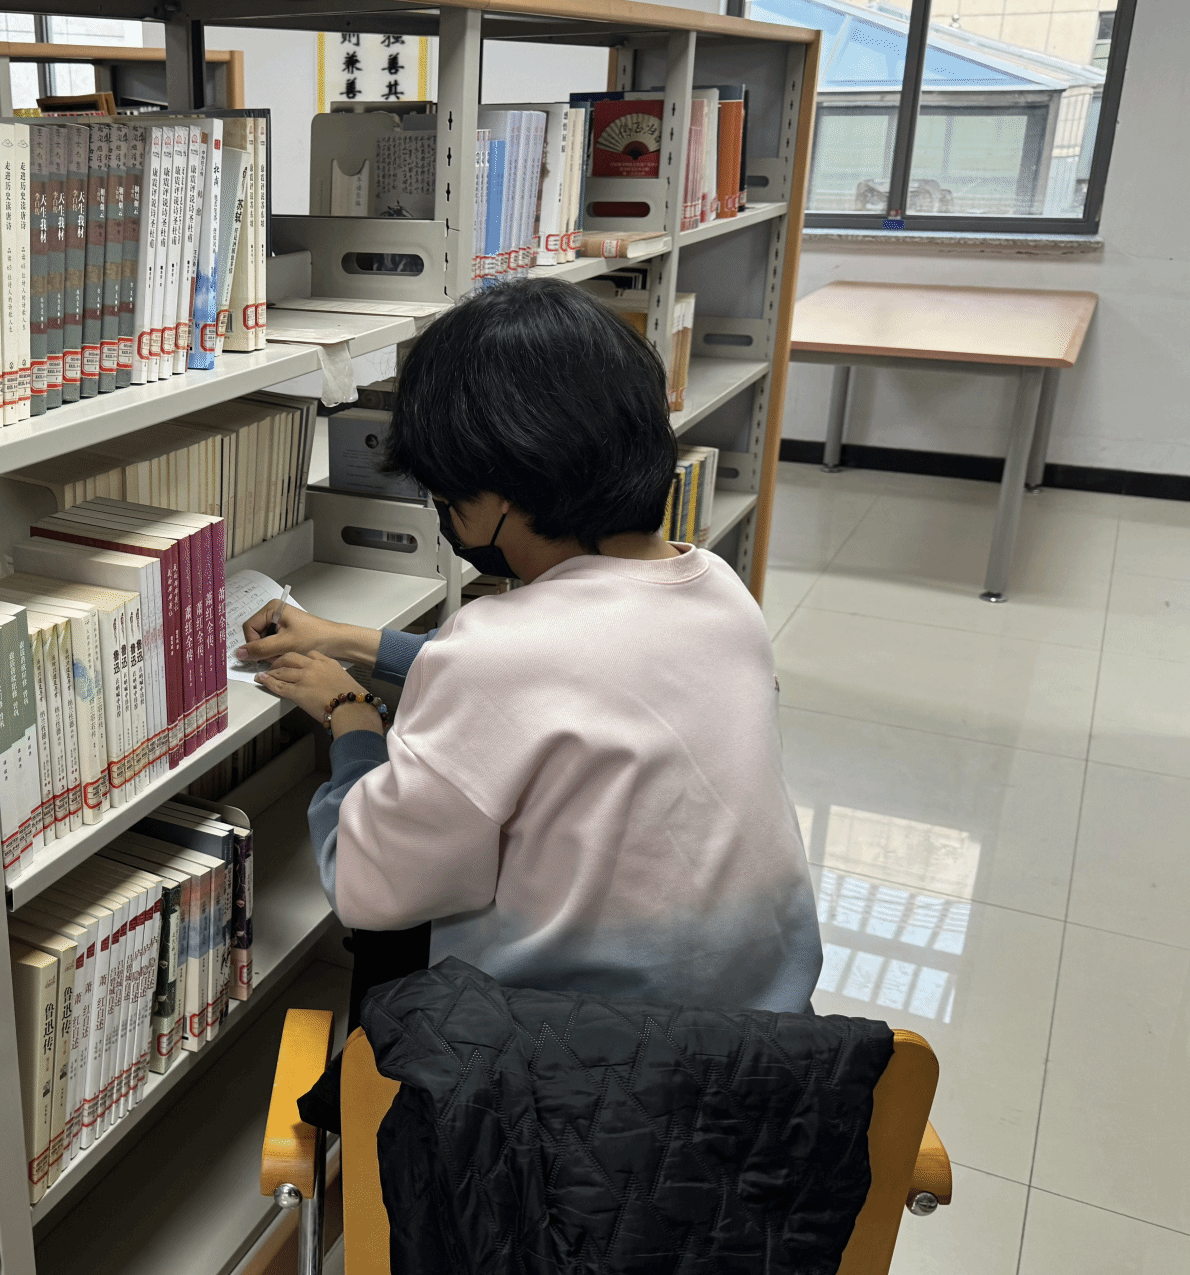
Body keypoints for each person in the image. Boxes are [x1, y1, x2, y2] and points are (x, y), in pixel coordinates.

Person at [241, 280, 821, 1022]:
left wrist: (352, 719)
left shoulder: (495, 656)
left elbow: (369, 885)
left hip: (572, 1066)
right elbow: (568, 681)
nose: (443, 508)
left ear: (500, 493)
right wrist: (348, 640)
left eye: (445, 492)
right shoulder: (720, 591)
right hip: (772, 1046)